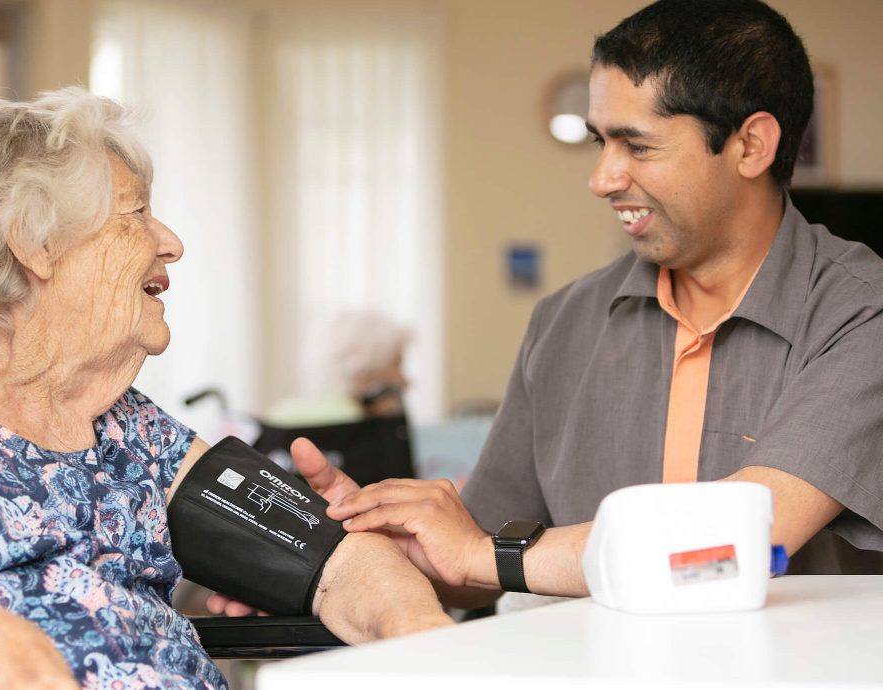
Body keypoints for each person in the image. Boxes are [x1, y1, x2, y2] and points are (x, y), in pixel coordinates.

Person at [0, 87, 452, 690]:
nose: (170, 241)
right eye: (136, 212)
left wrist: (428, 644)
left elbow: (343, 563)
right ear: (35, 243)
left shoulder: (131, 429)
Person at [213, 0, 883, 617]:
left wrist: (483, 555)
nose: (602, 179)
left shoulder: (860, 313)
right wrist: (334, 560)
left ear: (750, 145)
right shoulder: (565, 323)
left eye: (637, 144)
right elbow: (468, 561)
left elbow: (736, 539)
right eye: (601, 143)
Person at [263, 310, 411, 426]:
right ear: (363, 372)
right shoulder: (361, 427)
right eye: (396, 365)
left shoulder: (280, 412)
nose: (405, 381)